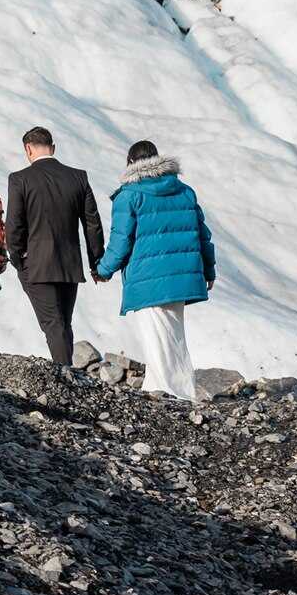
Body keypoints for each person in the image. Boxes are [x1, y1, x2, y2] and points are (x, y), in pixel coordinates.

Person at [94, 141, 214, 401]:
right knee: (174, 336)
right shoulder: (184, 191)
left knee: (156, 337)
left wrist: (104, 270)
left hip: (147, 279)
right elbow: (202, 234)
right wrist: (209, 270)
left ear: (130, 164)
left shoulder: (129, 195)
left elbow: (121, 241)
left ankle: (164, 391)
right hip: (182, 277)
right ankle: (179, 388)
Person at [5, 125, 105, 366]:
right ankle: (69, 373)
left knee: (53, 323)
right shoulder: (78, 177)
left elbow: (14, 225)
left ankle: (66, 376)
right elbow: (92, 223)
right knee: (63, 323)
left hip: (36, 264)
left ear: (28, 149)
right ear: (53, 148)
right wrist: (97, 263)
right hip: (69, 264)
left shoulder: (20, 179)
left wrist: (18, 259)